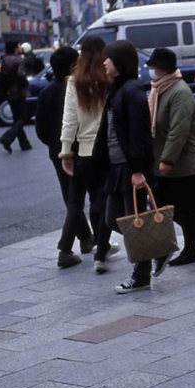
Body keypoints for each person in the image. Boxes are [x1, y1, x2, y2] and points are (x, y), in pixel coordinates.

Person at [92, 40, 157, 293]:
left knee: (135, 221)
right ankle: (154, 250)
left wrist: (139, 170)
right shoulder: (116, 88)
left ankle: (141, 275)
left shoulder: (132, 91)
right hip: (117, 167)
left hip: (131, 168)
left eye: (108, 58)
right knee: (112, 219)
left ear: (120, 61)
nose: (104, 63)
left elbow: (139, 133)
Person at [59, 37, 115, 274]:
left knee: (94, 200)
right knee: (107, 199)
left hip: (86, 150)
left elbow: (69, 119)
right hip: (110, 148)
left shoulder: (75, 81)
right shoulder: (109, 78)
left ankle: (100, 248)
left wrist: (65, 151)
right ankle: (102, 248)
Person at [147, 47, 195, 266]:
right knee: (168, 207)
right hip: (166, 162)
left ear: (162, 68)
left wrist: (167, 160)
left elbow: (178, 130)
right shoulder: (159, 89)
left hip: (183, 164)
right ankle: (193, 235)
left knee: (183, 208)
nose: (151, 71)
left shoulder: (179, 91)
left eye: (153, 67)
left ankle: (191, 249)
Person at [35, 45, 94, 268]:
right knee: (78, 199)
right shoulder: (78, 89)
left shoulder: (46, 93)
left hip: (57, 152)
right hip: (79, 150)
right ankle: (68, 248)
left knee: (71, 197)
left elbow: (40, 128)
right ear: (73, 66)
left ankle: (87, 239)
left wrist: (54, 145)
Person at [0, 40, 32, 153]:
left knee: (17, 118)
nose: (20, 47)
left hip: (9, 92)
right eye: (18, 45)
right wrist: (26, 83)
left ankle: (24, 143)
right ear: (14, 48)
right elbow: (21, 74)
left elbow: (2, 77)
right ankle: (6, 138)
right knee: (23, 117)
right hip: (19, 91)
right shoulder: (19, 60)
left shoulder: (4, 60)